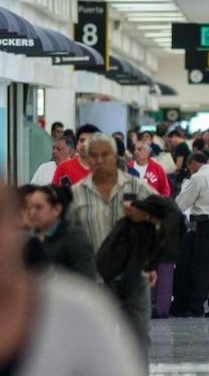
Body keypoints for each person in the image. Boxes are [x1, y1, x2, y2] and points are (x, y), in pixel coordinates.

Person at [0, 184, 146, 376]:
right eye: (31, 208)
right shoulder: (36, 242)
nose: (34, 213)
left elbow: (86, 276)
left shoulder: (77, 312)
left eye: (38, 207)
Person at [66, 133, 158, 353]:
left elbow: (165, 220)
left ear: (115, 156)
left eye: (105, 154)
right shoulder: (76, 195)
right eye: (93, 155)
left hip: (134, 279)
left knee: (137, 341)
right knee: (96, 345)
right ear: (86, 158)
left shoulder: (137, 188)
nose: (99, 160)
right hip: (96, 282)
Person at [171, 152, 209, 318]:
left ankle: (196, 306)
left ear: (193, 163)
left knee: (201, 266)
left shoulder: (197, 178)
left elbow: (183, 202)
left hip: (205, 224)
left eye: (190, 167)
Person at [23, 185, 96, 279]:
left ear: (57, 209)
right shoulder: (29, 239)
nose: (32, 212)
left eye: (39, 207)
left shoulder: (74, 238)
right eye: (29, 208)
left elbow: (86, 278)